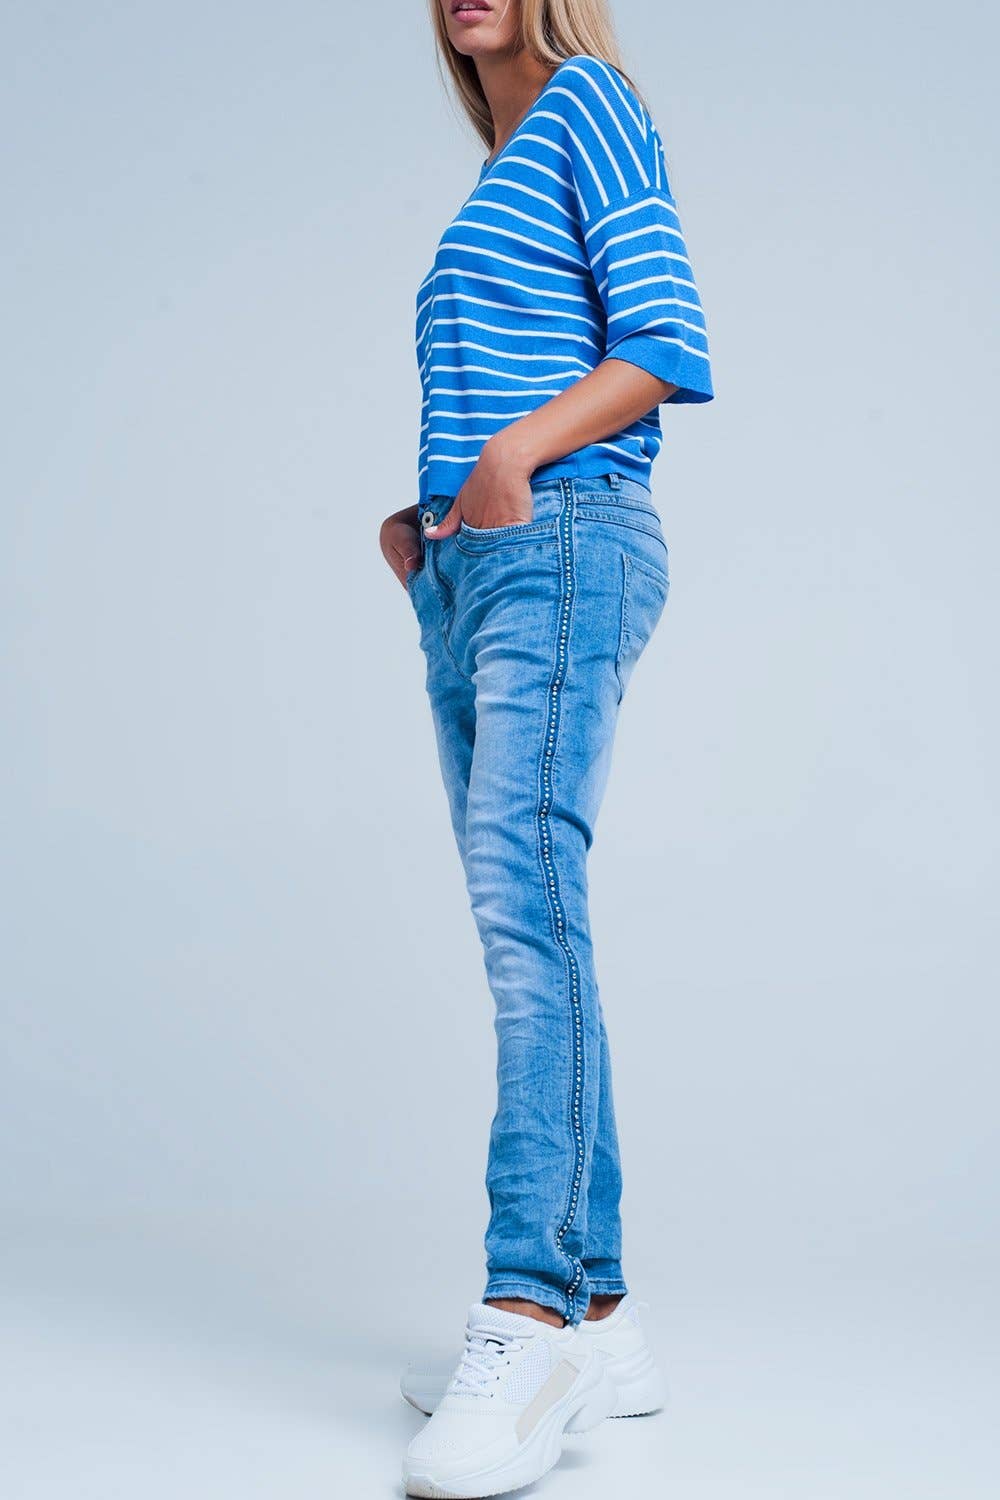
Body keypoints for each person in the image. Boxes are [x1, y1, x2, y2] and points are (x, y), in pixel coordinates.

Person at [378, 2, 714, 1493]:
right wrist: (432, 511)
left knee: (530, 920)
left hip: (565, 541)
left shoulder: (591, 103)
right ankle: (606, 1322)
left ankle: (528, 1317)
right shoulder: (502, 163)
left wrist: (511, 455)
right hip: (477, 565)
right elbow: (506, 372)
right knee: (530, 922)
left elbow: (663, 343)